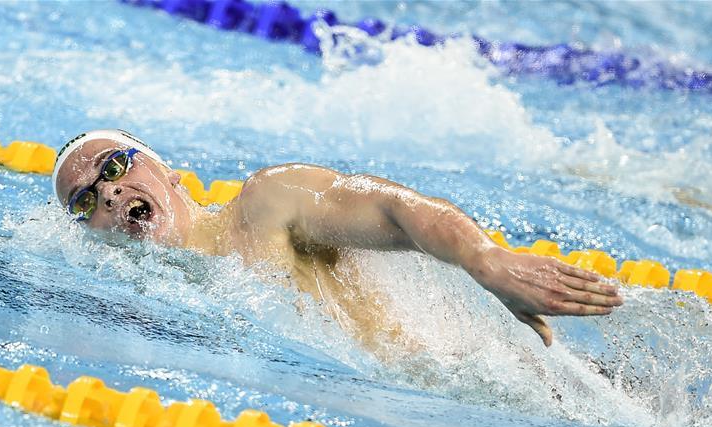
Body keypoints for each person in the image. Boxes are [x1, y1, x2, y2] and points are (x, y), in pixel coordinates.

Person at [52, 130, 622, 348]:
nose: (108, 193)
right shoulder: (155, 303)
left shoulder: (267, 203)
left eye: (114, 166)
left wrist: (486, 259)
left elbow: (395, 207)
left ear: (167, 171)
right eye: (84, 202)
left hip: (468, 377)